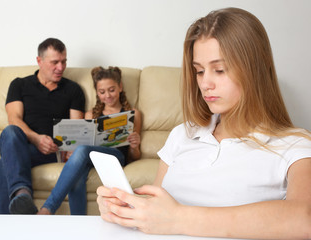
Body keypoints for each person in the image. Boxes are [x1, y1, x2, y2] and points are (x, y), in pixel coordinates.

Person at [96, 8, 311, 239]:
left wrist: (177, 218)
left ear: (255, 70)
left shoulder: (295, 144)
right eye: (199, 71)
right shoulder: (183, 134)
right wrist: (127, 210)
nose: (205, 83)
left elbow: (304, 218)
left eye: (219, 70)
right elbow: (157, 207)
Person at [0, 38, 85, 214]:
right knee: (10, 132)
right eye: (55, 62)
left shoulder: (73, 90)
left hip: (54, 151)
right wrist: (36, 139)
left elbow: (76, 128)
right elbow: (14, 118)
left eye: (64, 61)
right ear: (39, 61)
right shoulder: (20, 84)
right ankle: (22, 193)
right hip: (25, 145)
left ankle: (5, 217)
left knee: (4, 163)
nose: (61, 67)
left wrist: (71, 148)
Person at [37, 66, 142, 215]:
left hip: (116, 157)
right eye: (102, 92)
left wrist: (134, 146)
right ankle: (78, 223)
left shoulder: (133, 114)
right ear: (97, 93)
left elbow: (134, 156)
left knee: (82, 150)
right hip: (92, 157)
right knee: (78, 173)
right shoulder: (90, 115)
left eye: (111, 90)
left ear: (120, 87)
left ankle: (48, 208)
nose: (107, 95)